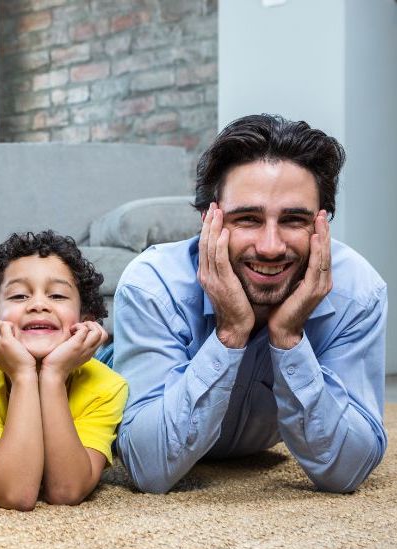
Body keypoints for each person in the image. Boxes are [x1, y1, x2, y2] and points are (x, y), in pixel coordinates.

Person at [115, 114, 388, 494]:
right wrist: (230, 333)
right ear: (208, 220)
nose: (271, 246)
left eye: (294, 220)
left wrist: (289, 338)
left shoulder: (357, 292)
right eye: (248, 218)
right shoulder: (153, 284)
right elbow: (149, 468)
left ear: (321, 226)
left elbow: (347, 470)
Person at [0, 231, 128, 510]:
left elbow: (66, 491)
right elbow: (17, 493)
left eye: (57, 295)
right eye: (18, 295)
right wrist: (23, 374)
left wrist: (52, 375)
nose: (39, 304)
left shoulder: (107, 385)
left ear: (85, 319)